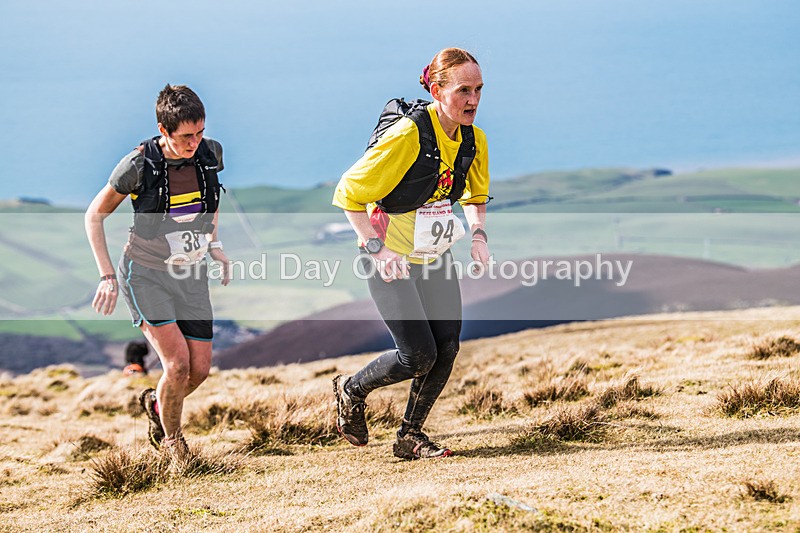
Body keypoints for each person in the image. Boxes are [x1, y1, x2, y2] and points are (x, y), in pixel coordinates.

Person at [332, 48, 491, 459]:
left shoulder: (474, 139)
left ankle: (410, 436)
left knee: (447, 347)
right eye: (462, 91)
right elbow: (347, 192)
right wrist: (377, 248)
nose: (472, 100)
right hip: (390, 259)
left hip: (434, 256)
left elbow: (475, 192)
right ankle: (352, 390)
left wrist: (478, 235)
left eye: (477, 90)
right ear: (436, 90)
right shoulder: (408, 135)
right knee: (417, 355)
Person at [85, 84, 231, 456]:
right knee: (177, 364)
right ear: (164, 130)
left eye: (199, 132)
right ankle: (173, 443)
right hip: (145, 274)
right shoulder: (137, 165)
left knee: (198, 370)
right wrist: (107, 276)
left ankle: (156, 406)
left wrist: (213, 245)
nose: (194, 142)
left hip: (191, 274)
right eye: (185, 136)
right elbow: (94, 215)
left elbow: (209, 202)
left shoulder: (210, 153)